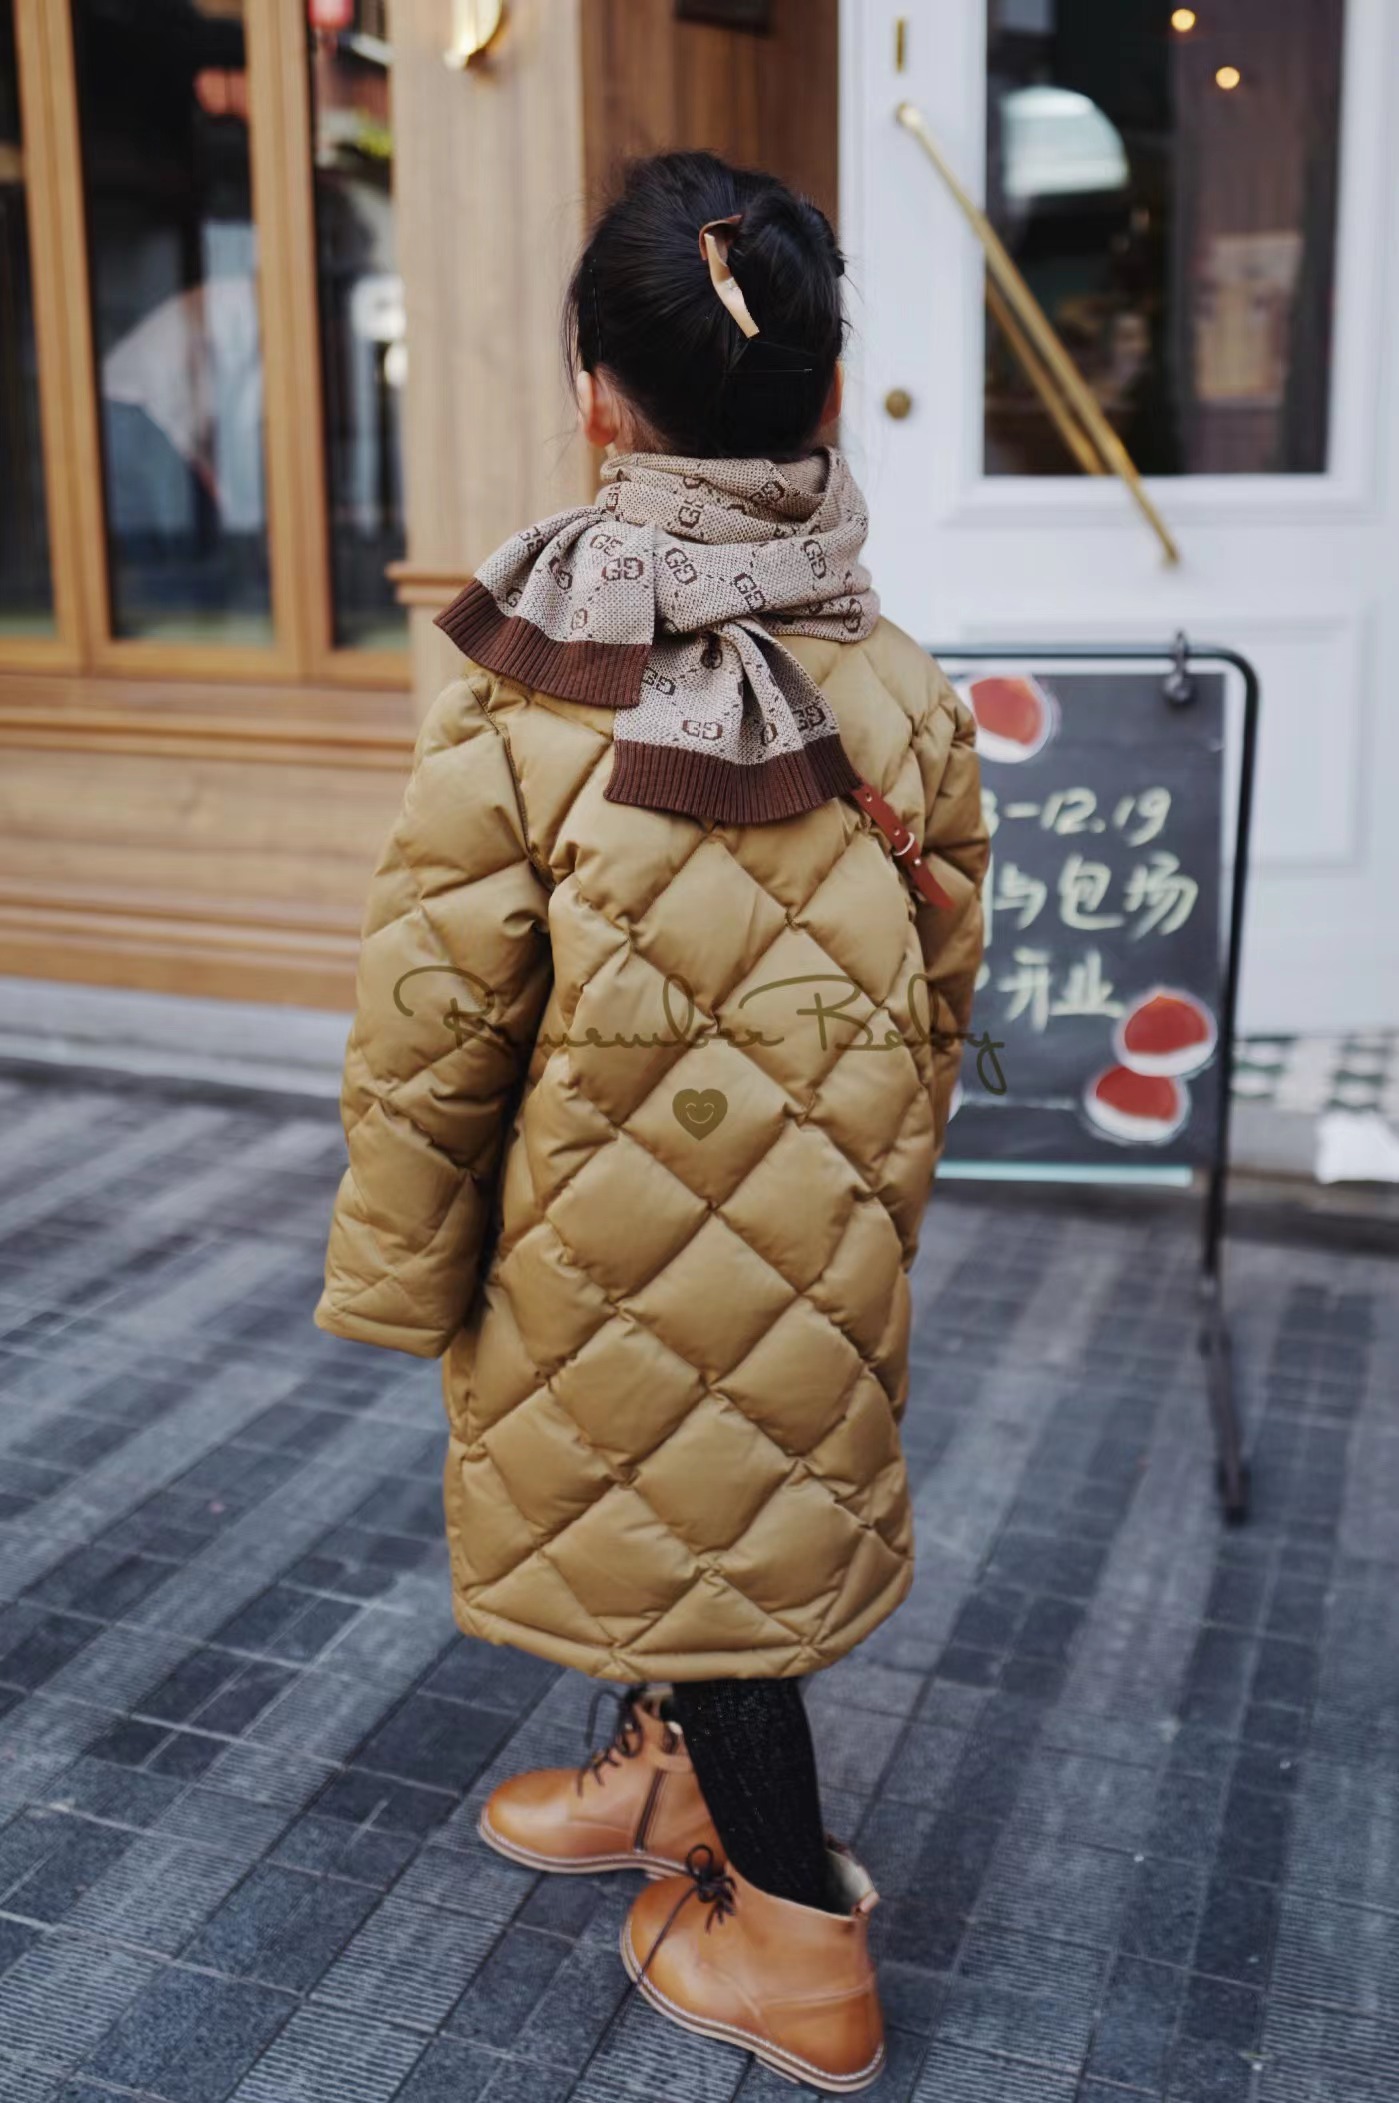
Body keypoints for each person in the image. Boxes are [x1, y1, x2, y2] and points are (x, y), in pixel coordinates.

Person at [315, 149, 988, 2094]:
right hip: (812, 1232)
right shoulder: (904, 687)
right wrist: (877, 1197)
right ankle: (668, 1778)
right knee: (690, 1498)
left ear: (595, 396)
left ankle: (797, 1941)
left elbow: (432, 1021)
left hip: (581, 1237)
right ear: (832, 392)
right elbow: (945, 989)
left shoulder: (533, 689)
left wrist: (403, 1264)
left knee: (702, 1544)